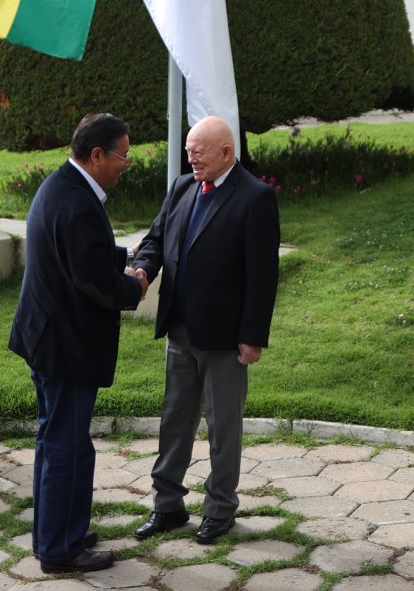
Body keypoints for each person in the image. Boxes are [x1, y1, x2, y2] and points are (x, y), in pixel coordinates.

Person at [131, 116, 281, 545]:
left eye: (199, 150)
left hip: (225, 339)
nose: (190, 157)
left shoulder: (255, 198)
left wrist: (252, 336)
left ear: (227, 153)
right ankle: (168, 506)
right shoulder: (182, 187)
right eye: (188, 150)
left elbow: (262, 276)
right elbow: (157, 238)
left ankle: (219, 510)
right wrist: (142, 271)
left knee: (223, 426)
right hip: (180, 331)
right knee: (174, 422)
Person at [9, 112, 146, 574]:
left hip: (47, 336)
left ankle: (59, 527)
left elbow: (79, 251)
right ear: (96, 155)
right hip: (65, 344)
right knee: (66, 445)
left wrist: (123, 255)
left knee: (58, 441)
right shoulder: (79, 203)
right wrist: (136, 285)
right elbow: (94, 280)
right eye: (122, 156)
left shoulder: (63, 185)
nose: (125, 164)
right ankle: (60, 550)